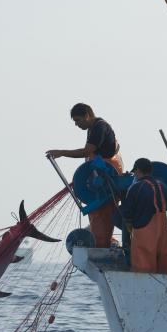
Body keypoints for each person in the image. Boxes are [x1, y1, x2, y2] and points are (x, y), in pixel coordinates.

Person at [46, 103, 124, 248]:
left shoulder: (99, 127)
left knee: (103, 213)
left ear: (87, 115)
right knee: (97, 213)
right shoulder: (92, 128)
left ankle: (103, 246)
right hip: (99, 178)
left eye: (78, 120)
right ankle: (102, 242)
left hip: (106, 178)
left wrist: (62, 152)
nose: (76, 124)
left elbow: (87, 152)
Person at [122, 158, 167, 274]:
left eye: (135, 171)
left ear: (139, 170)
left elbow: (127, 213)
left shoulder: (135, 188)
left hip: (144, 234)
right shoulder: (163, 186)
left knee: (143, 269)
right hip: (162, 232)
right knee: (163, 268)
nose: (134, 174)